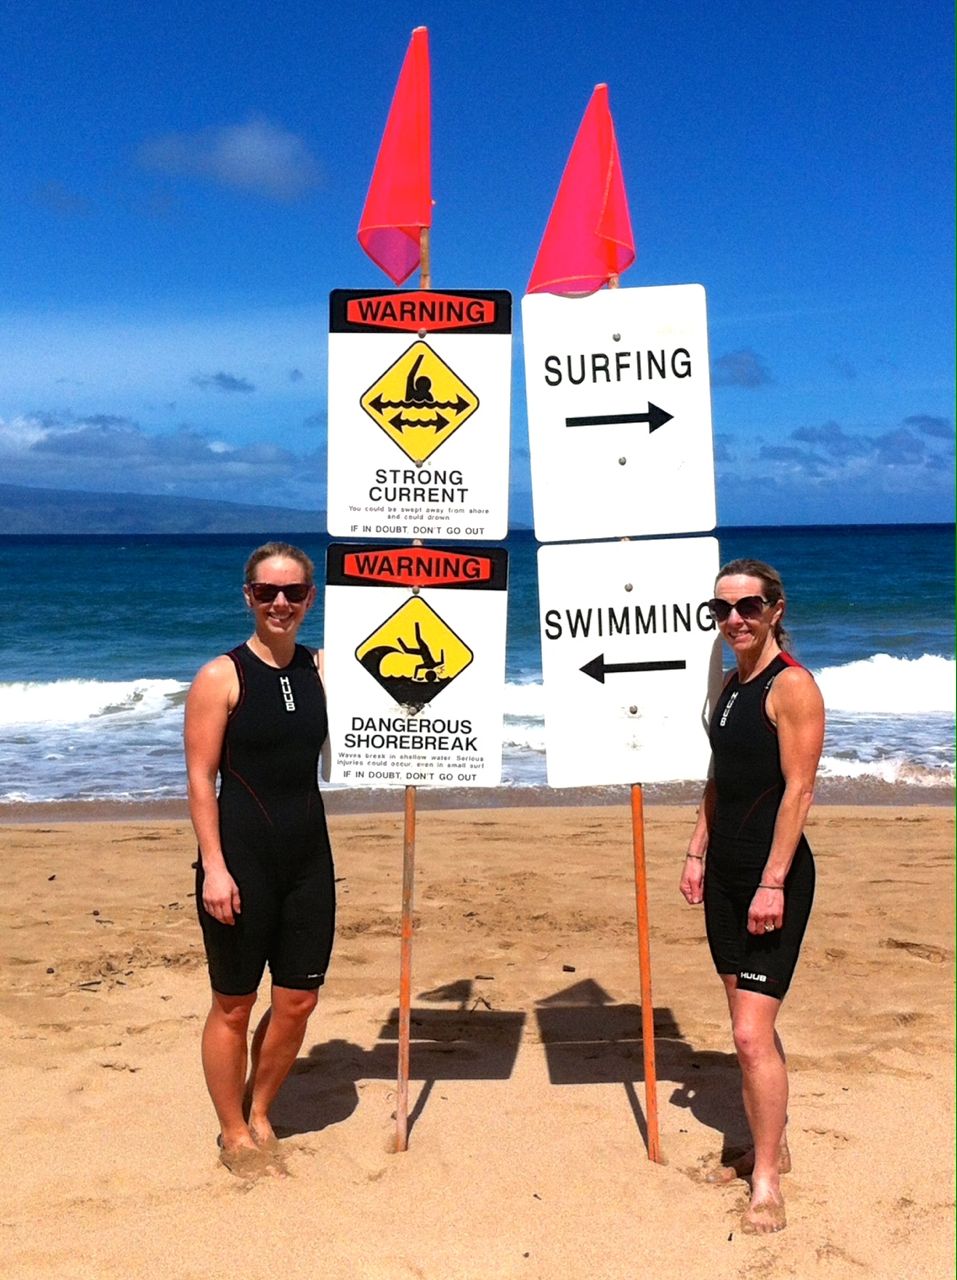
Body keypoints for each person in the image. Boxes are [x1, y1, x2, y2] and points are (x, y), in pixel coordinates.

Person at [680, 558, 824, 1234]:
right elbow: (722, 776)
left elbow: (797, 790)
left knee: (746, 1032)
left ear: (774, 608)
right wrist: (695, 849)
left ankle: (765, 1179)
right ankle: (770, 1143)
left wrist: (772, 880)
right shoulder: (728, 682)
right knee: (749, 1028)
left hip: (773, 876)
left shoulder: (790, 686)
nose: (733, 619)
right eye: (721, 609)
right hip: (725, 874)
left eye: (748, 606)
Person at [184, 542, 335, 1178]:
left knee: (299, 998)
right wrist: (214, 867)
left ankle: (263, 1105)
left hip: (309, 858)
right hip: (240, 859)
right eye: (268, 592)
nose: (281, 603)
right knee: (235, 1003)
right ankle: (231, 1127)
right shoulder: (221, 675)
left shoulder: (327, 669)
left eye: (294, 592)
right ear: (248, 596)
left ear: (311, 597)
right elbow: (199, 780)